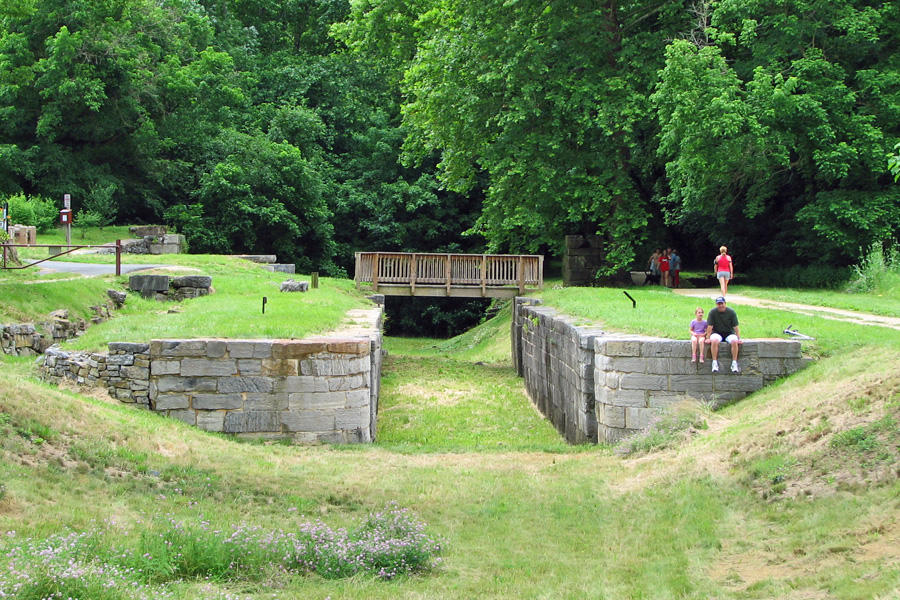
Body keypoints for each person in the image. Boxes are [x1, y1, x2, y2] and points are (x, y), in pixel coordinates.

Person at [705, 296, 741, 373]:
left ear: (725, 303)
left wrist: (739, 338)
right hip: (717, 332)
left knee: (734, 341)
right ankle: (714, 363)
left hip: (729, 333)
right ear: (716, 304)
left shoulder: (731, 312)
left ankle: (734, 363)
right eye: (718, 304)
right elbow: (710, 326)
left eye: (722, 303)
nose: (720, 305)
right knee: (714, 341)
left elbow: (736, 327)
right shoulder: (712, 312)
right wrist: (707, 337)